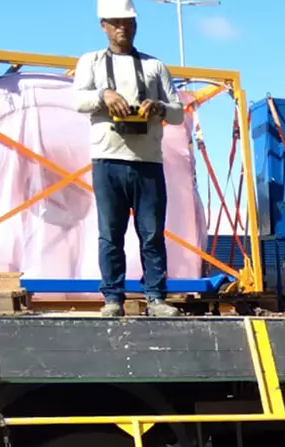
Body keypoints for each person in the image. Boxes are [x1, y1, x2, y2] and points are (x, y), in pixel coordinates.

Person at [72, 0, 184, 317]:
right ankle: (112, 298)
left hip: (148, 162)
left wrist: (159, 107)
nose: (123, 27)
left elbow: (177, 113)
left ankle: (156, 298)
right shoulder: (91, 62)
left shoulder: (154, 67)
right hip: (107, 159)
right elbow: (78, 100)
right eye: (115, 22)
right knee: (111, 233)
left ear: (135, 25)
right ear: (103, 25)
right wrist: (103, 96)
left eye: (128, 22)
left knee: (151, 233)